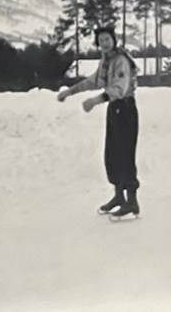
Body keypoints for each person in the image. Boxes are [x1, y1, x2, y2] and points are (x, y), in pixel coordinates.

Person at [57, 26, 140, 220]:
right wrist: (70, 91)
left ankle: (132, 202)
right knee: (112, 154)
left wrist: (95, 101)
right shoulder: (106, 61)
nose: (104, 43)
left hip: (125, 109)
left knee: (125, 155)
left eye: (107, 39)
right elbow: (94, 81)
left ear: (114, 40)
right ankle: (119, 196)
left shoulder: (121, 60)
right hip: (114, 109)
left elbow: (119, 89)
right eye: (101, 40)